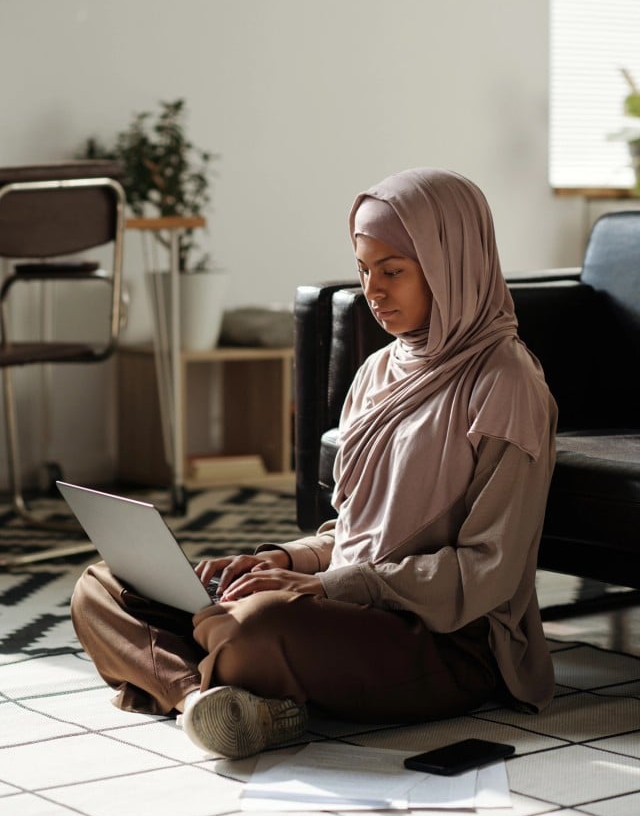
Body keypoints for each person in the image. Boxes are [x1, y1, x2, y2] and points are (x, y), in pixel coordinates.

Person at [71, 167, 558, 760]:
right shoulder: (380, 371)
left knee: (259, 625)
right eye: (364, 269)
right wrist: (284, 559)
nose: (372, 290)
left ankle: (209, 671)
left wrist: (328, 588)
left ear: (450, 262)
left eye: (393, 271)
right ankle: (203, 703)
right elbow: (356, 534)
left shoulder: (505, 384)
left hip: (445, 641)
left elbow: (489, 573)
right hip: (351, 606)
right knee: (103, 584)